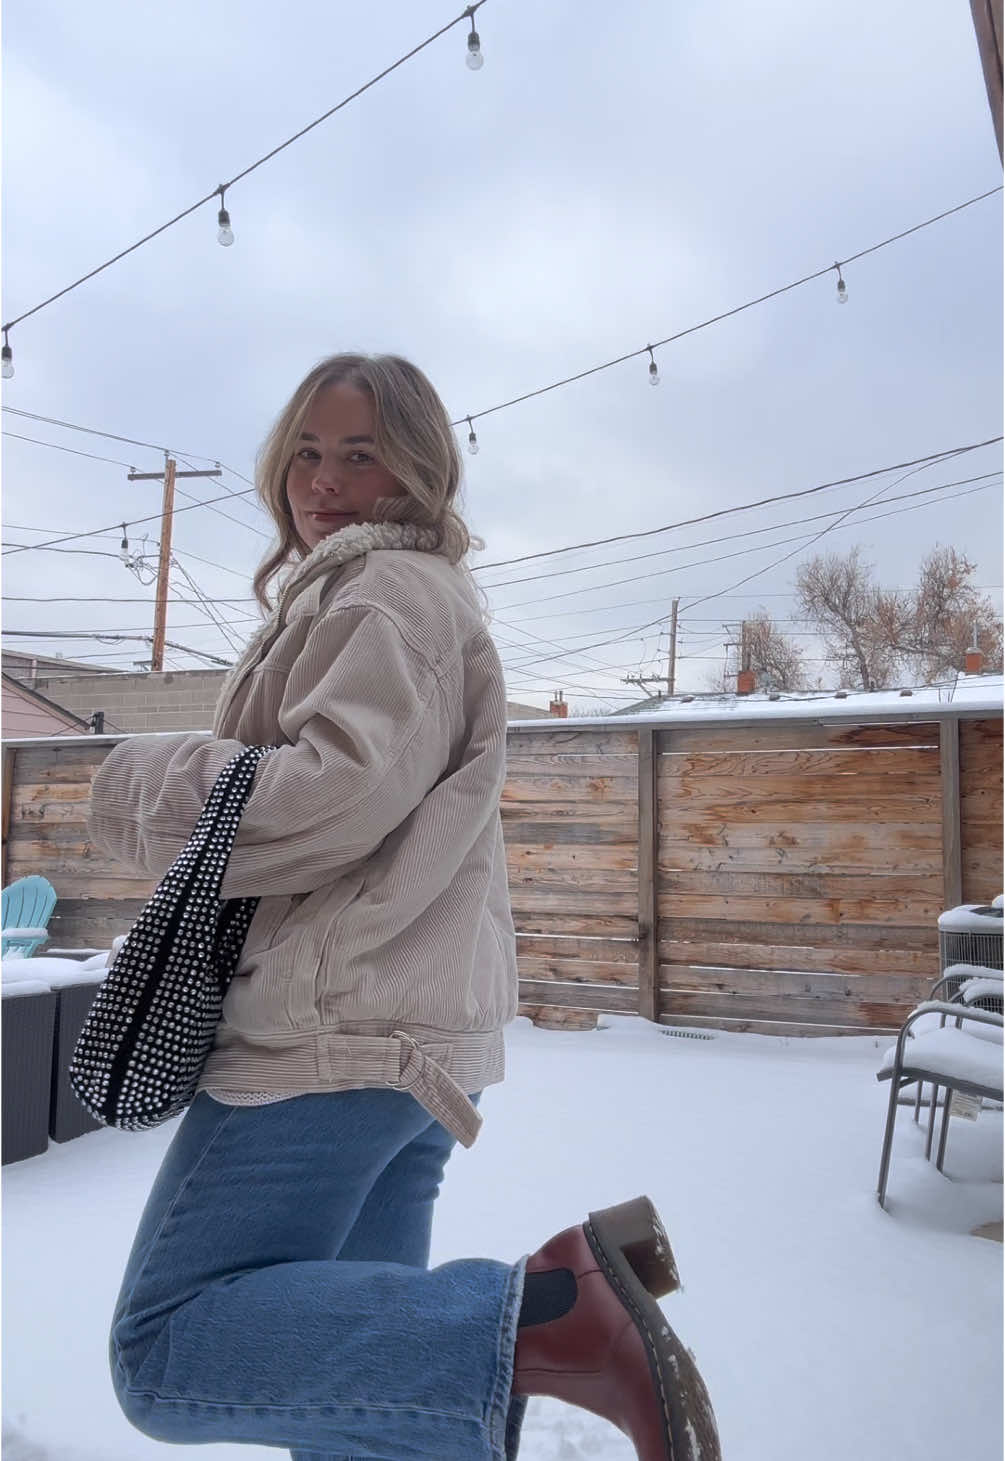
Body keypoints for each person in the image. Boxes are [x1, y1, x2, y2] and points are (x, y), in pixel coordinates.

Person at [90, 353, 720, 1461]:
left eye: (361, 456)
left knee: (167, 1349)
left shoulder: (386, 596)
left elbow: (328, 800)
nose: (321, 482)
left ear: (419, 472)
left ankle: (550, 1320)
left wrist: (139, 780)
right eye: (307, 452)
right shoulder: (386, 594)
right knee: (357, 1392)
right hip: (397, 1029)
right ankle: (532, 1332)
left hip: (334, 1029)